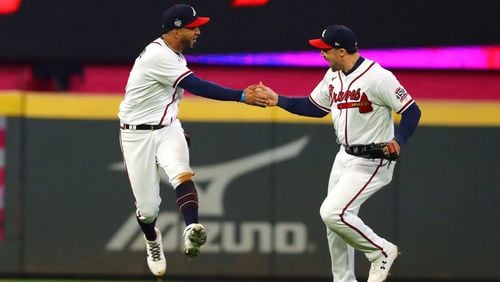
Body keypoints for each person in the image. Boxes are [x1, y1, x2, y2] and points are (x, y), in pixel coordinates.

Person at [258, 25, 421, 282]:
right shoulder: (333, 76)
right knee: (335, 225)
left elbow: (412, 111)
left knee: (333, 213)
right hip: (345, 156)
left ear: (341, 51)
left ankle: (381, 251)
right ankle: (343, 279)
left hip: (373, 159)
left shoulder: (378, 77)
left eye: (325, 50)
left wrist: (399, 140)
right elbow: (314, 106)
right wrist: (279, 99)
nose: (322, 54)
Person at [117, 4, 269, 277]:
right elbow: (197, 86)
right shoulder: (158, 56)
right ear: (176, 30)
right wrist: (241, 96)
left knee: (181, 173)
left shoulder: (174, 54)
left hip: (167, 128)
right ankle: (153, 240)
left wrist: (172, 128)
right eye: (193, 27)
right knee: (148, 210)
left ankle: (191, 228)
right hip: (135, 134)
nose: (198, 31)